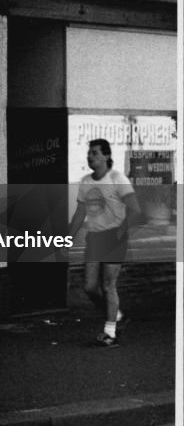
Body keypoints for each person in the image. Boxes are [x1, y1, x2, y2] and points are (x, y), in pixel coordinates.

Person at [68, 138, 142, 348]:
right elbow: (80, 213)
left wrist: (122, 233)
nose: (89, 156)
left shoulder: (118, 179)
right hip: (95, 238)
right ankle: (117, 315)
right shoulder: (86, 181)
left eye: (94, 153)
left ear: (106, 156)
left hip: (114, 237)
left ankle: (110, 333)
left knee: (109, 286)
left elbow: (135, 211)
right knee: (90, 287)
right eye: (89, 153)